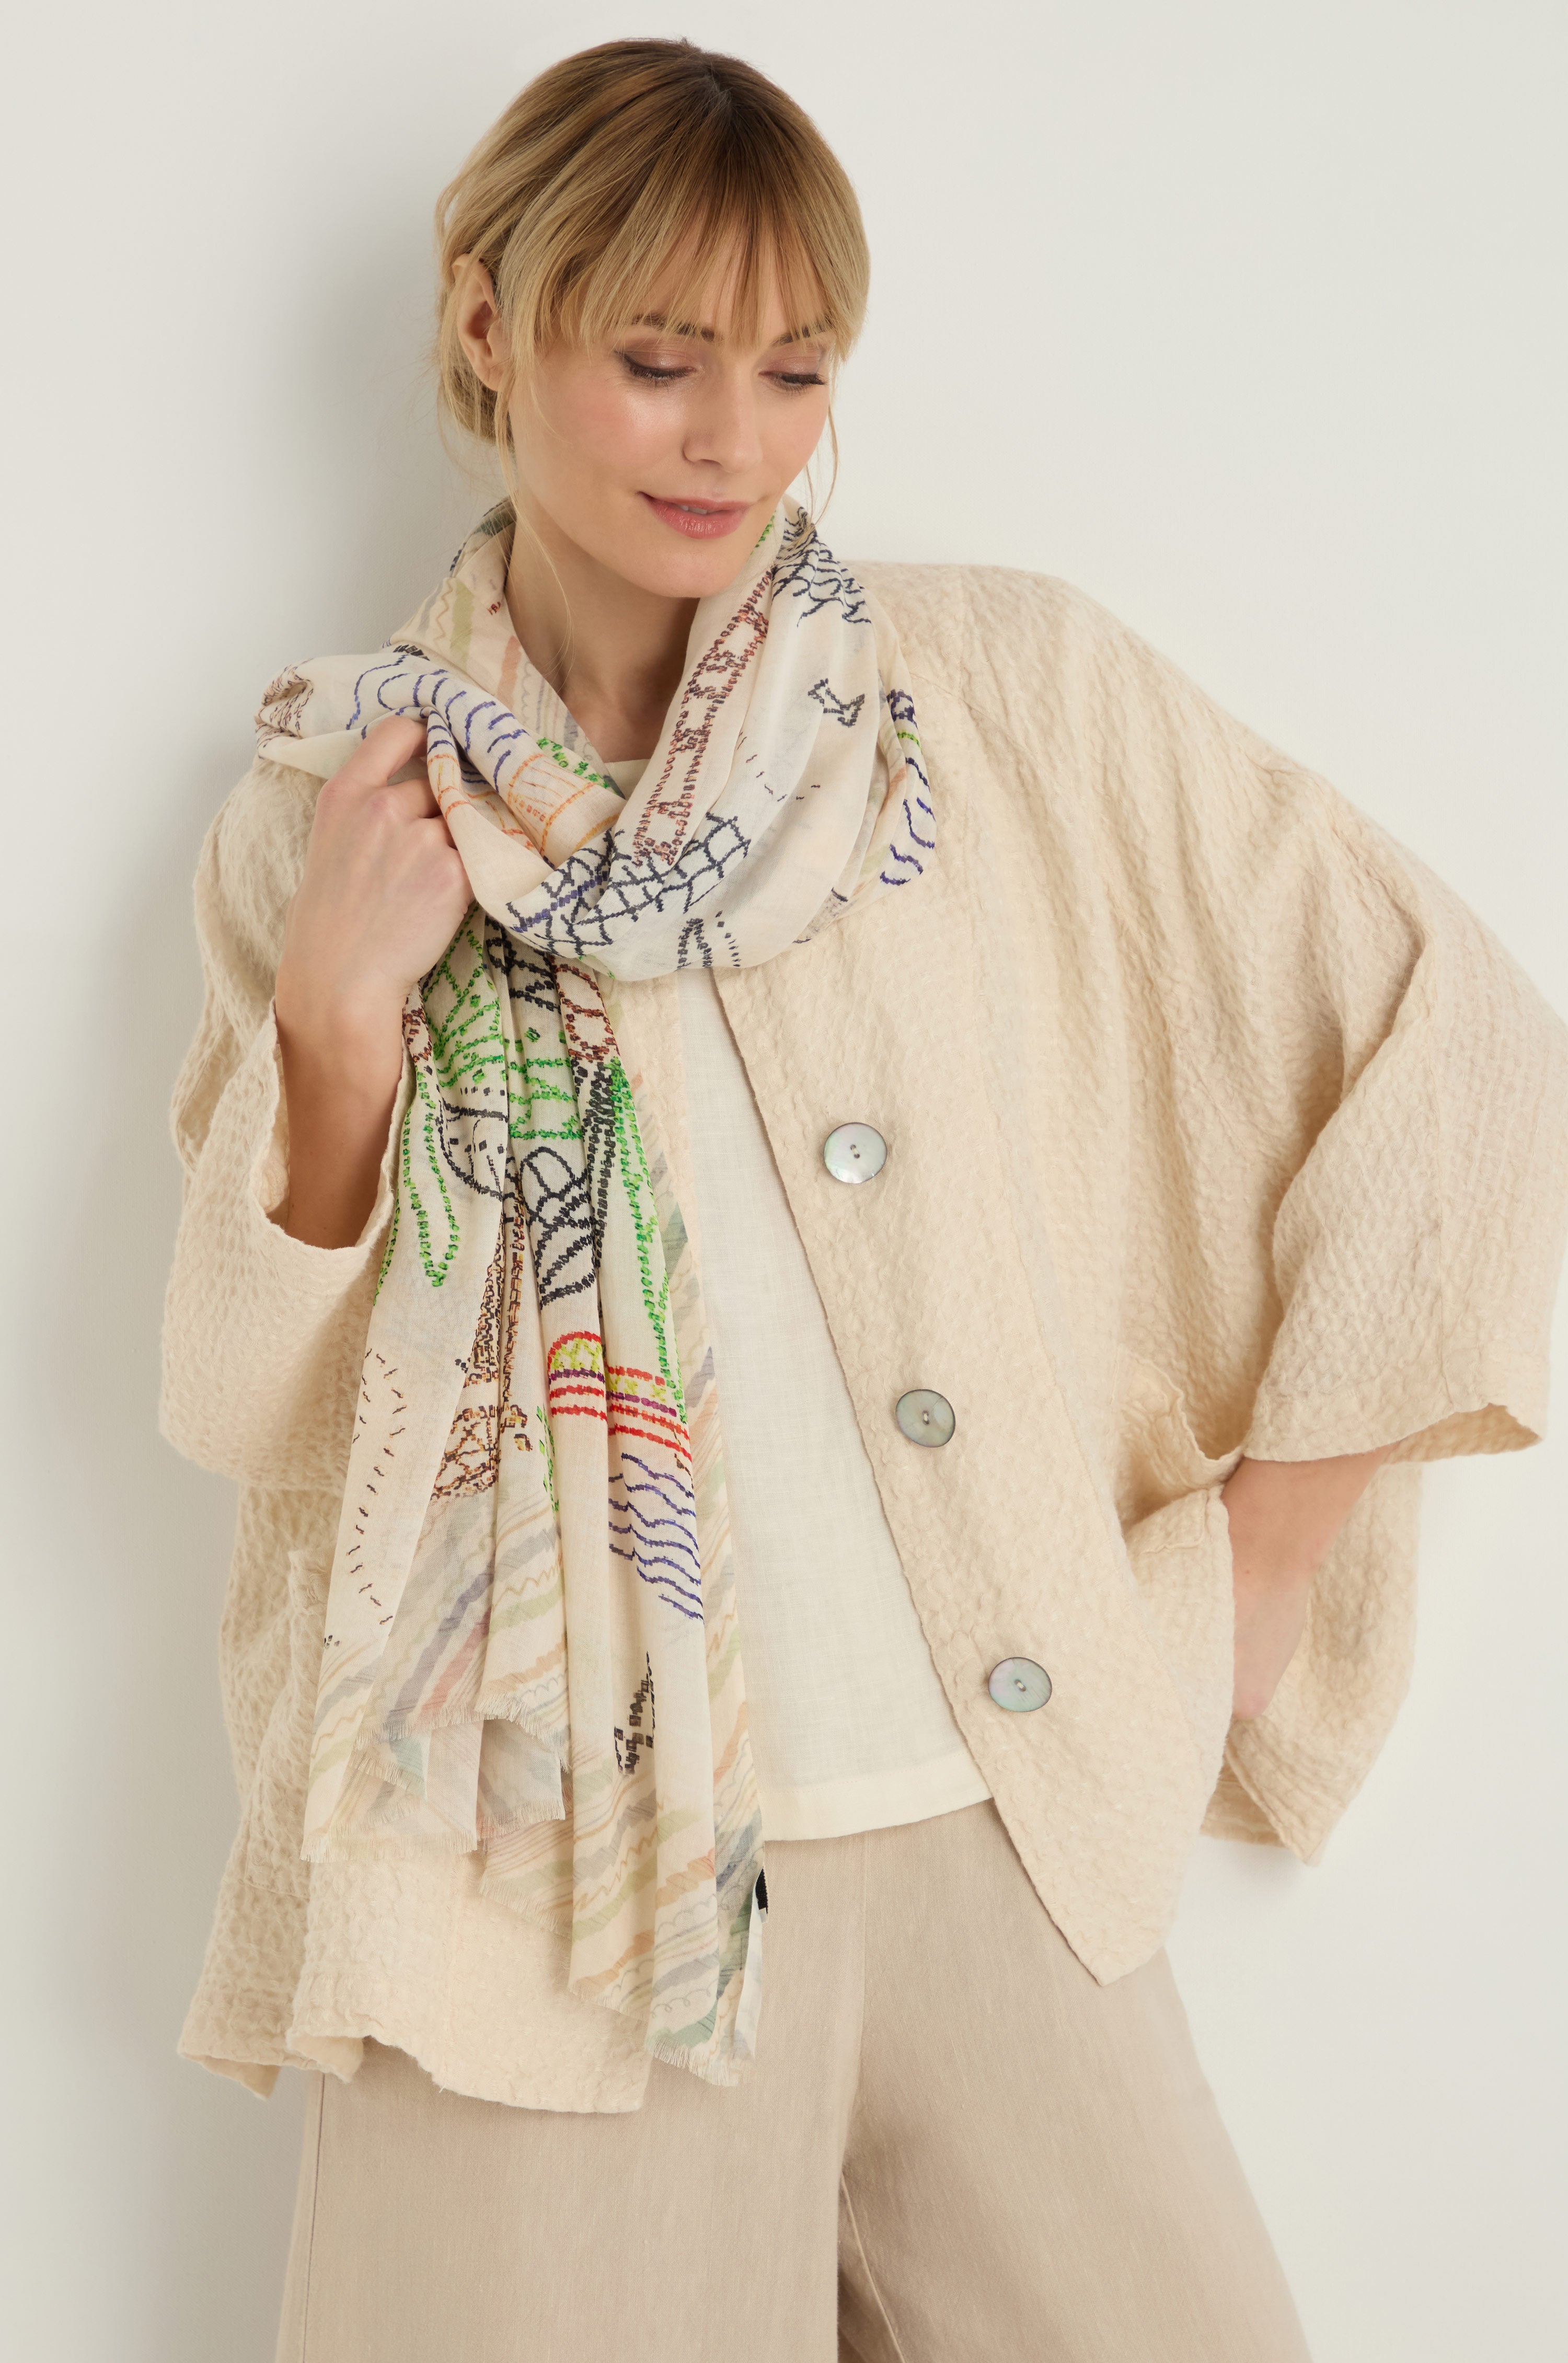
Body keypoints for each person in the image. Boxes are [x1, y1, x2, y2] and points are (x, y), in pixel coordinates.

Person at [159, 36, 1568, 2363]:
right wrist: (333, 1030)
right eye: (660, 359)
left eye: (798, 367)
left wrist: (1265, 1553)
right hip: (535, 1900)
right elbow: (249, 1402)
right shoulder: (342, 815)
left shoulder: (990, 705)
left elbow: (1465, 1047)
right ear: (487, 319)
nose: (735, 435)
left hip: (990, 1827)